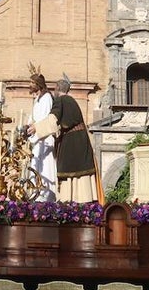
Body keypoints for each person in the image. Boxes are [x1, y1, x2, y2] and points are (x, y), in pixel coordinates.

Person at [27, 74, 101, 203]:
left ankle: (69, 201)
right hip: (80, 141)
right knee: (80, 174)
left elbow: (53, 119)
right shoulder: (72, 101)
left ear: (57, 88)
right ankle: (83, 200)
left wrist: (36, 128)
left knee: (71, 172)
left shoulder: (61, 101)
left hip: (72, 142)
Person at [26, 69, 57, 202]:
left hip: (45, 138)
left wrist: (35, 129)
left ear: (38, 84)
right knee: (35, 165)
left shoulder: (47, 98)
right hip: (37, 139)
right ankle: (35, 194)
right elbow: (33, 117)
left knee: (45, 167)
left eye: (32, 83)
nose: (29, 85)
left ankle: (45, 197)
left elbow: (46, 120)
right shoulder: (38, 98)